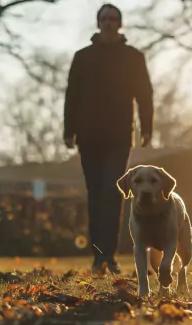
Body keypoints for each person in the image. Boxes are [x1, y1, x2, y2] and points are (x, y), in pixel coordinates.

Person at [63, 3, 154, 274]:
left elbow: (145, 95)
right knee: (94, 195)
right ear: (98, 23)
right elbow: (72, 96)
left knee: (112, 192)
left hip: (119, 136)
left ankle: (109, 257)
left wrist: (147, 128)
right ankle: (98, 256)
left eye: (114, 18)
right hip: (89, 136)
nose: (109, 23)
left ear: (120, 24)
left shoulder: (133, 57)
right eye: (105, 18)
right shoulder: (83, 57)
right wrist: (69, 131)